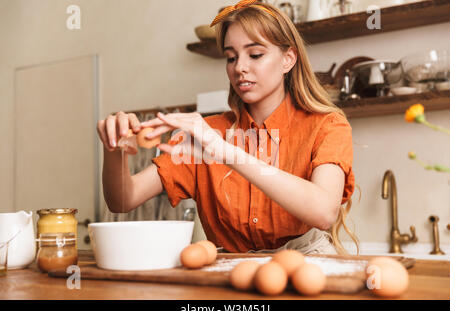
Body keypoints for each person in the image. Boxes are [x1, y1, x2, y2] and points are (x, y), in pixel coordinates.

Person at [96, 0, 359, 255]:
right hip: (230, 275)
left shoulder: (327, 125)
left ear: (288, 59)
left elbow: (324, 212)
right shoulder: (207, 133)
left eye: (255, 54)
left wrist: (225, 152)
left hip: (308, 265)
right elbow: (122, 200)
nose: (240, 68)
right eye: (231, 58)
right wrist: (114, 147)